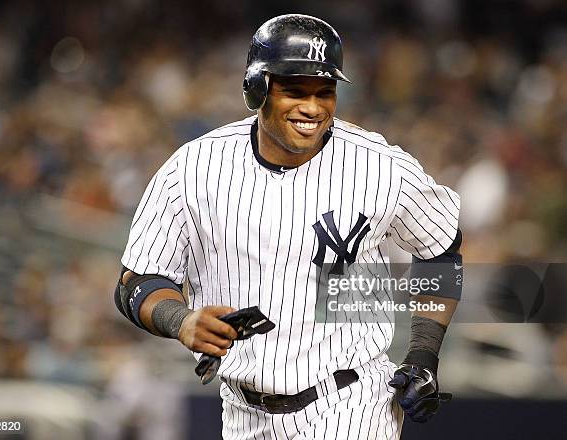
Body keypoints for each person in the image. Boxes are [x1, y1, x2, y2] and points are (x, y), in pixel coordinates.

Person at [114, 14, 463, 439]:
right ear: (256, 89)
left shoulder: (380, 167)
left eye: (325, 92)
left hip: (351, 401)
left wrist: (424, 354)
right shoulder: (193, 169)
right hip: (243, 410)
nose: (313, 107)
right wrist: (179, 319)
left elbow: (441, 250)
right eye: (295, 90)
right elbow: (137, 283)